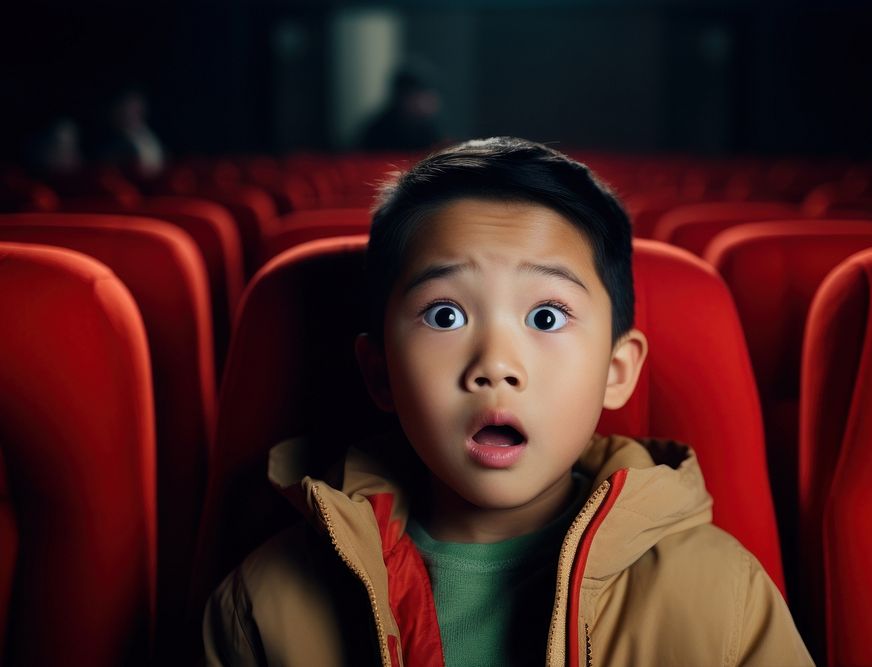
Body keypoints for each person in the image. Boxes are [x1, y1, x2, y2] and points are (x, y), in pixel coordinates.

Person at [203, 137, 814, 666]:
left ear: (616, 370)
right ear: (381, 373)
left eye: (546, 316)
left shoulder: (722, 597)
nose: (495, 364)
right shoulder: (263, 605)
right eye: (445, 315)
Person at [359, 65, 444, 152]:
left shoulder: (429, 129)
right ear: (403, 97)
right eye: (424, 95)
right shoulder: (378, 132)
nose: (432, 101)